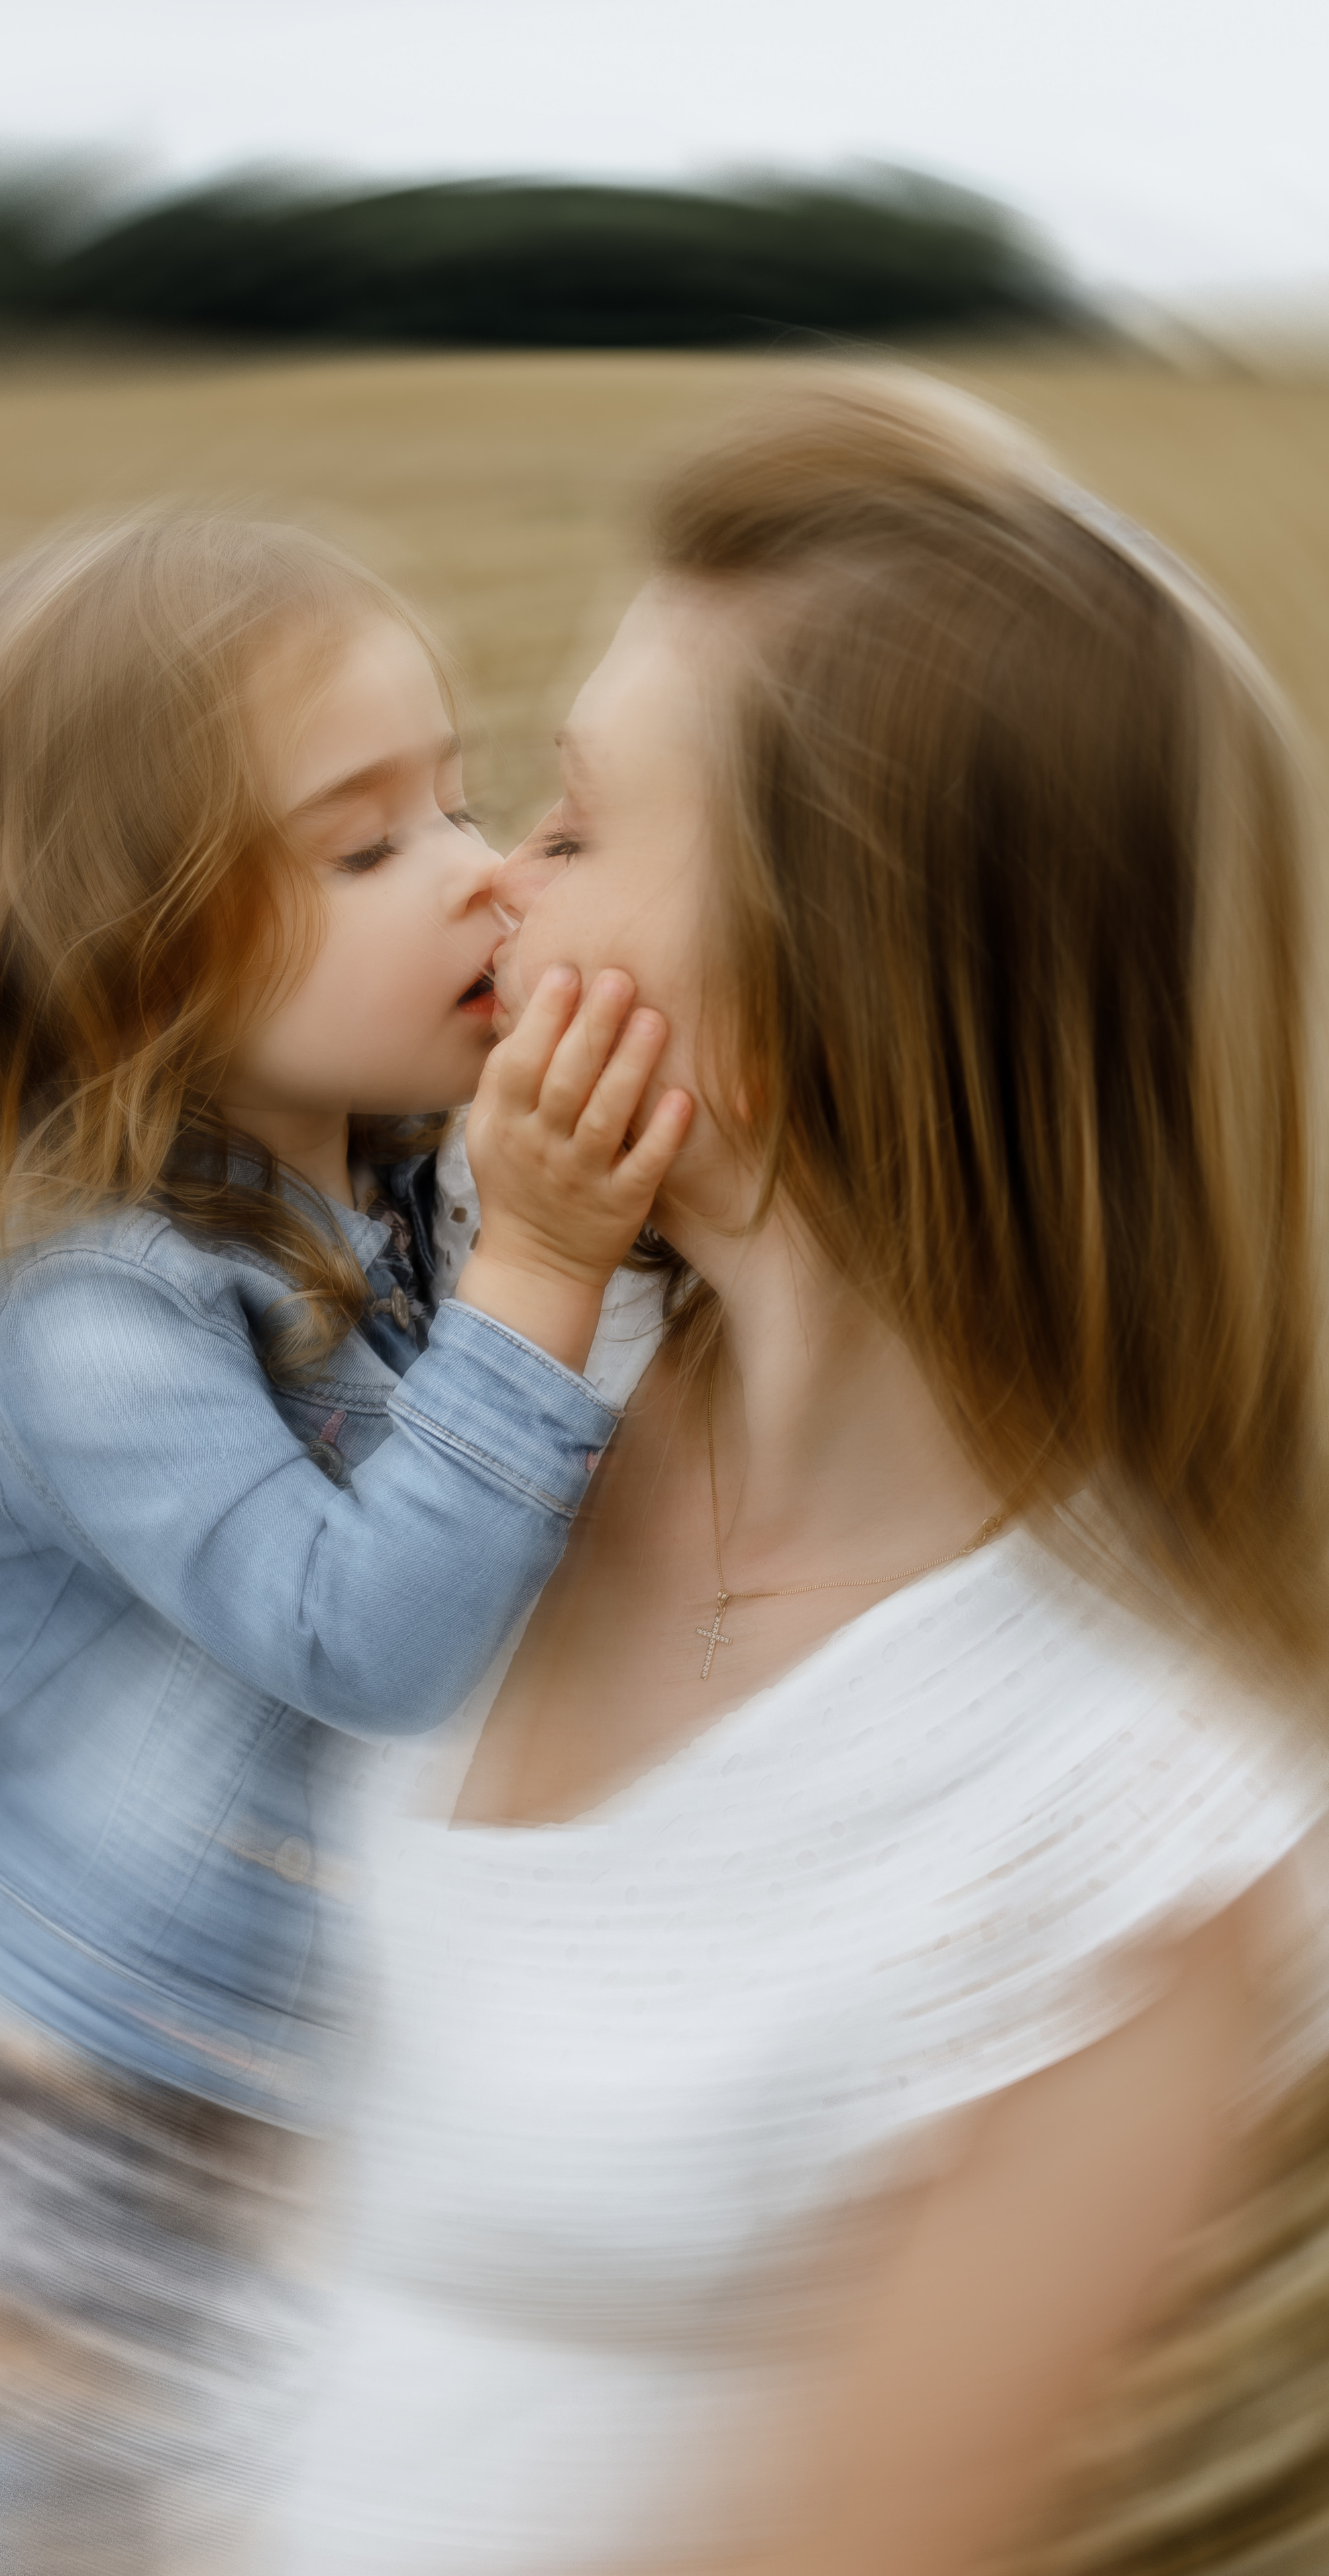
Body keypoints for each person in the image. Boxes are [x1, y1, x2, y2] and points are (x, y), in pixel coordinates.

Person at [276, 372, 1329, 2576]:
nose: (494, 891)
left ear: (800, 998)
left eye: (574, 828)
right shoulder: (490, 1330)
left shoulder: (1116, 1850)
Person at [0, 510, 690, 2567]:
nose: (473, 868)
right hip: (97, 2105)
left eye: (464, 801)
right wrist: (546, 1264)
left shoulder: (393, 1187)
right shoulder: (93, 1317)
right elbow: (362, 1635)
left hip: (297, 2068)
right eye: (366, 846)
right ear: (141, 954)